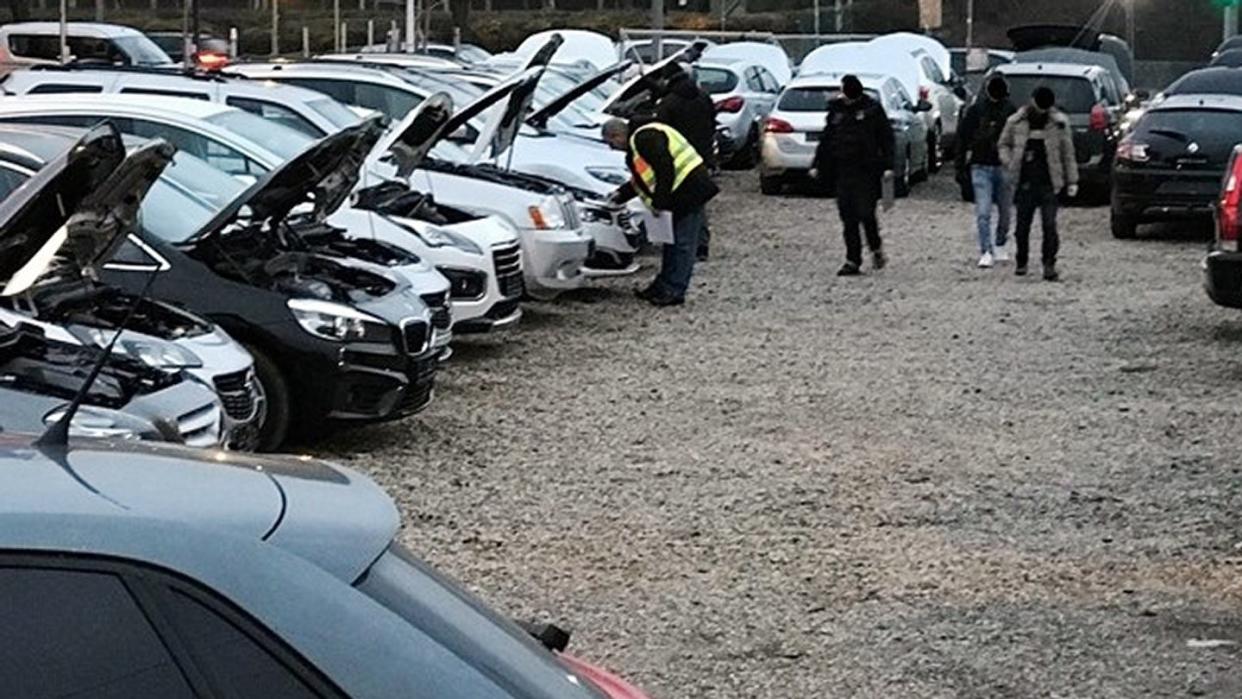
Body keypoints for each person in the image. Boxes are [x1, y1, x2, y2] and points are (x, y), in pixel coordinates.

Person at [603, 117, 720, 306]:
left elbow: (664, 169)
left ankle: (674, 290)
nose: (612, 148)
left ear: (617, 135)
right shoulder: (641, 141)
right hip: (683, 192)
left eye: (611, 143)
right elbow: (644, 179)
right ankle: (663, 285)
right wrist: (620, 195)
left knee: (682, 245)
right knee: (672, 244)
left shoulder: (645, 137)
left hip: (690, 192)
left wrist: (659, 202)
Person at [812, 74, 895, 276]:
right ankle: (852, 259)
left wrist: (888, 165)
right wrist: (817, 164)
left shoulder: (872, 110)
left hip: (867, 171)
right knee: (848, 217)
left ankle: (875, 247)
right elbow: (826, 139)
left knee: (866, 213)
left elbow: (886, 138)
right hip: (842, 170)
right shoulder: (836, 111)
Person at [998, 86, 1079, 281]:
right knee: (1022, 226)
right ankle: (1022, 260)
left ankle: (1049, 263)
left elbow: (1067, 153)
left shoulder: (1059, 124)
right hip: (1025, 181)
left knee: (1050, 225)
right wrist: (1010, 162)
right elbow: (1003, 144)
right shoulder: (1016, 121)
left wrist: (1072, 180)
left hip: (1050, 182)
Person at [654, 66, 718, 261]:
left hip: (678, 158)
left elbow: (662, 131)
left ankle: (679, 243)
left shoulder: (668, 103)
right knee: (699, 204)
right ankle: (701, 245)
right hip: (701, 157)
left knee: (680, 203)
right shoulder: (703, 97)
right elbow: (712, 123)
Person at [957, 76, 1017, 268]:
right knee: (983, 212)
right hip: (980, 165)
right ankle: (986, 250)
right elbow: (962, 137)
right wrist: (960, 166)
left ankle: (1000, 242)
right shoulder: (977, 111)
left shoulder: (1011, 111)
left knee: (1005, 212)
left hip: (1003, 165)